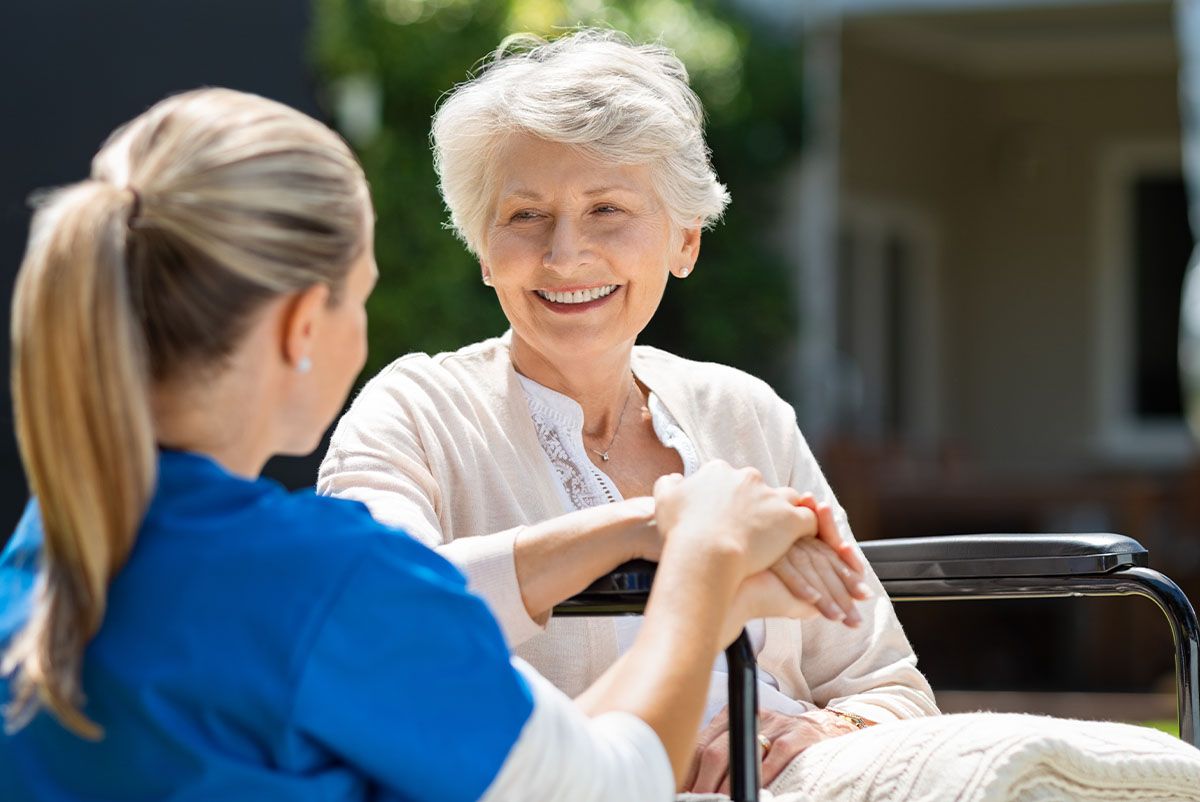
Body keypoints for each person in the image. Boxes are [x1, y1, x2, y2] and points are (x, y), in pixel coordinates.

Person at [0, 88, 860, 800]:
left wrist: (642, 532)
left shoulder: (46, 551)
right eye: (362, 297)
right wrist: (703, 563)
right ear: (306, 323)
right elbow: (606, 787)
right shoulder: (330, 583)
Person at [317, 28, 938, 795]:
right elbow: (377, 618)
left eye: (607, 209)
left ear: (684, 240)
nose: (565, 254)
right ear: (483, 249)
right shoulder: (414, 410)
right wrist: (654, 527)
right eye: (525, 216)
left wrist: (817, 731)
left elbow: (889, 687)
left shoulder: (744, 414)